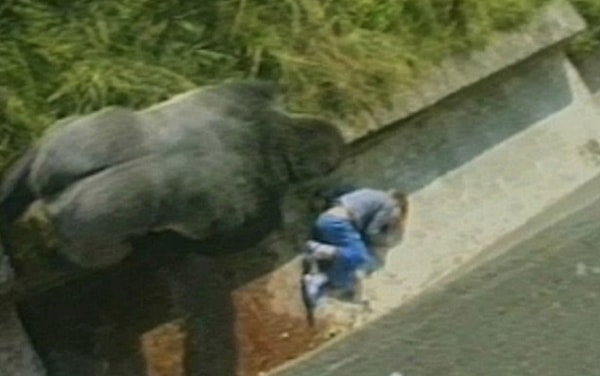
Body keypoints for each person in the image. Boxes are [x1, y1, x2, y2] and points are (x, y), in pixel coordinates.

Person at [301, 187, 409, 309]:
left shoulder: (371, 194)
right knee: (360, 257)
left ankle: (317, 286)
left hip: (325, 221)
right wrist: (383, 242)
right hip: (337, 223)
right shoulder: (390, 205)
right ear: (399, 205)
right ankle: (319, 252)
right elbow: (372, 232)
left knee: (347, 272)